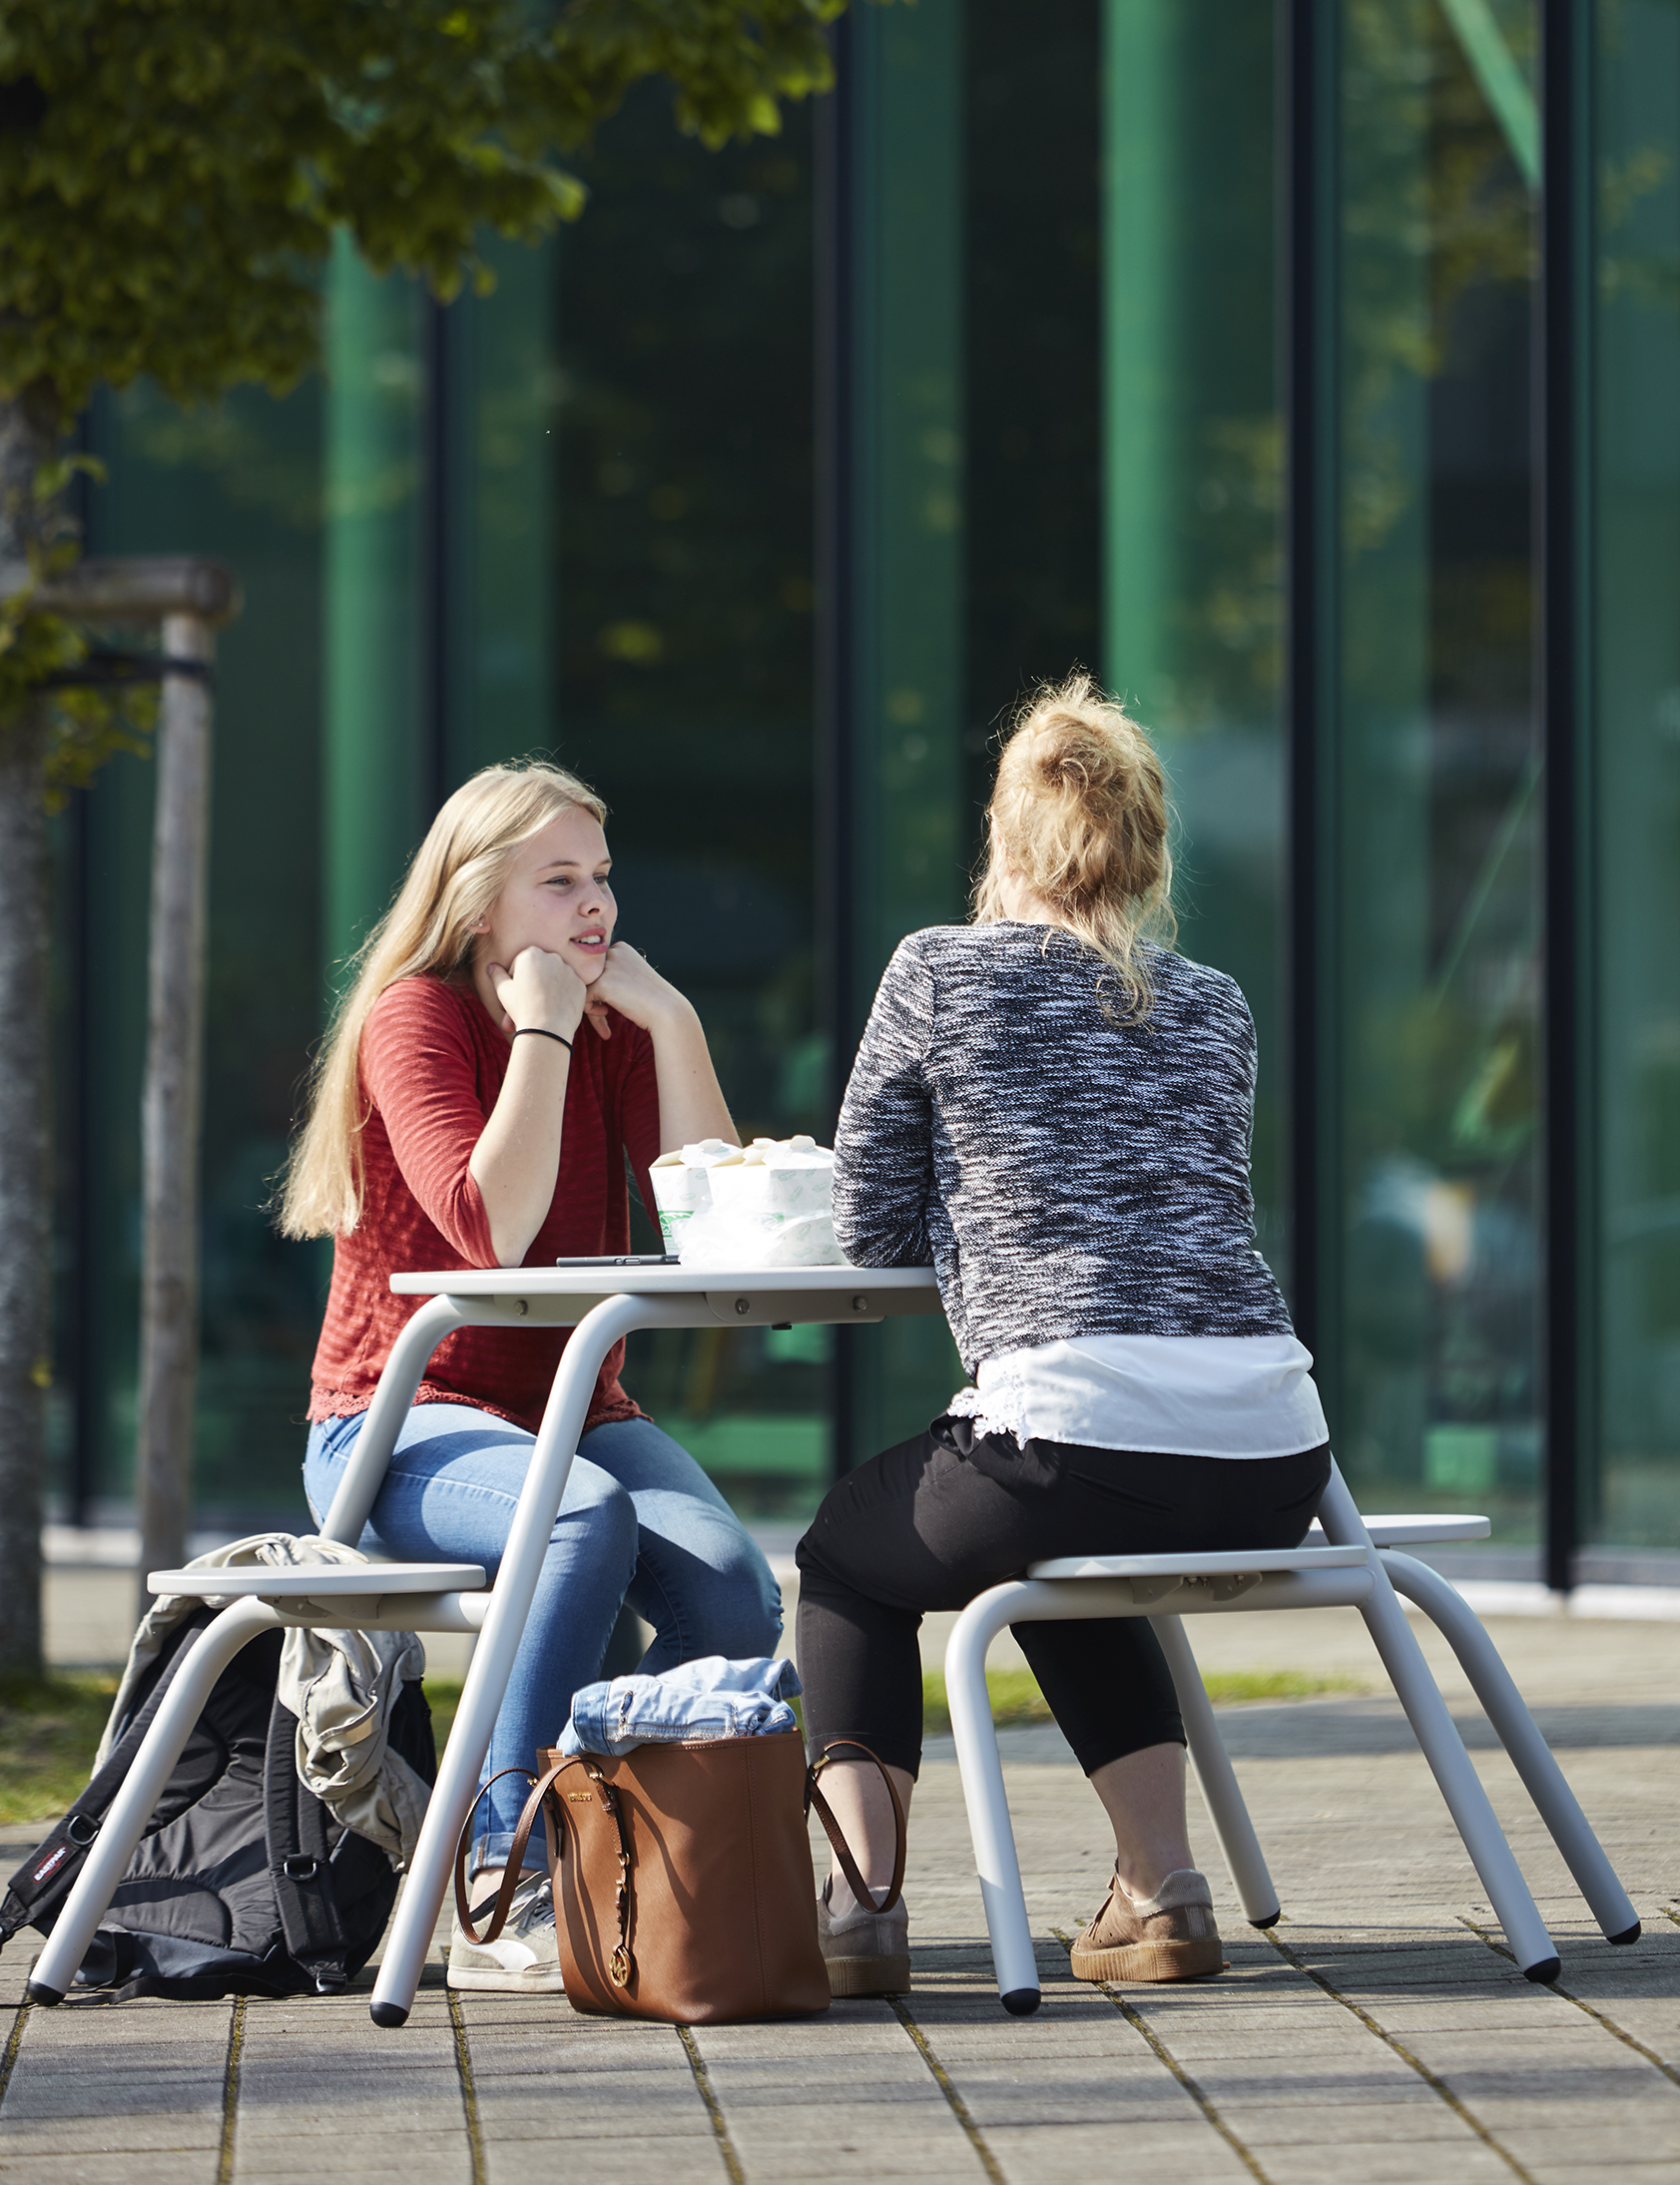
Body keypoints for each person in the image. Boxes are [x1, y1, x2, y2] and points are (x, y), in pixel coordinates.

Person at [796, 678, 1331, 1997]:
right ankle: (1163, 1891)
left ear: (1003, 836)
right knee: (1059, 1549)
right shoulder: (1214, 1001)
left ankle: (859, 1906)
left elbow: (865, 1223)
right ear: (1147, 847)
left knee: (848, 1558)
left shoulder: (939, 971)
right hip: (1276, 1462)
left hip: (1075, 1441)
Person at [280, 759, 782, 1992]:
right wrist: (545, 1028)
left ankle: (593, 1850)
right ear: (476, 902)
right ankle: (498, 1874)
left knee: (733, 1600)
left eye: (600, 876)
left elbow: (712, 1226)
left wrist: (672, 1022)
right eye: (557, 881)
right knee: (578, 1516)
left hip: (575, 1409)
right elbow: (489, 1230)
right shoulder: (417, 1017)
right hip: (396, 1424)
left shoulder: (614, 1022)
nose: (592, 903)